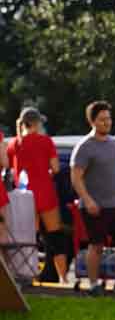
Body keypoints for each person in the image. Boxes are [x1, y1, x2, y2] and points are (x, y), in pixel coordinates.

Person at [70, 101, 115, 297]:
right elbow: (76, 176)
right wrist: (87, 200)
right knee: (97, 245)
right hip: (95, 205)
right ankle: (93, 284)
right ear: (92, 121)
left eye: (108, 119)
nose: (107, 123)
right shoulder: (85, 147)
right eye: (102, 120)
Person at [7, 108, 67, 284]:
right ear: (36, 123)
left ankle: (27, 276)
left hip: (24, 198)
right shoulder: (46, 141)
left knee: (29, 238)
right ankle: (64, 278)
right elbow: (55, 168)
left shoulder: (14, 144)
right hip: (45, 194)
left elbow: (10, 169)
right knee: (55, 237)